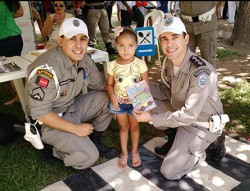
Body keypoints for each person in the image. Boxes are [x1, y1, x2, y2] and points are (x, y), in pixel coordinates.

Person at [133, 15, 229, 180]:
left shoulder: (201, 72)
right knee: (141, 97)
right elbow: (166, 92)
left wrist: (150, 118)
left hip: (201, 124)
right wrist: (141, 84)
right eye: (164, 39)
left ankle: (210, 144)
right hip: (182, 114)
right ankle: (175, 137)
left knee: (170, 172)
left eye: (175, 37)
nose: (169, 44)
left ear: (186, 38)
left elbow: (189, 115)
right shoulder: (171, 62)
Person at [26, 18, 117, 169]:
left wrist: (124, 94)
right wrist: (76, 129)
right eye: (72, 39)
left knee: (107, 97)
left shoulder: (84, 59)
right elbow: (41, 114)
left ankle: (94, 139)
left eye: (83, 39)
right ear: (61, 41)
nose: (79, 45)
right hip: (49, 122)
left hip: (71, 108)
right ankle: (54, 149)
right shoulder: (47, 70)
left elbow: (102, 85)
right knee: (89, 157)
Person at [179, 1, 227, 162]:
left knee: (210, 77)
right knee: (184, 71)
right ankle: (179, 131)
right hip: (186, 26)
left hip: (207, 23)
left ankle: (218, 135)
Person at [107, 27, 149, 168]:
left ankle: (135, 151)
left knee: (135, 127)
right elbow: (109, 85)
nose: (126, 50)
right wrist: (112, 97)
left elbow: (145, 85)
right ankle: (124, 153)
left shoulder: (140, 64)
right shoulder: (112, 65)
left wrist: (143, 105)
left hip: (135, 103)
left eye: (130, 45)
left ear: (136, 46)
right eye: (121, 45)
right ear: (115, 45)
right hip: (119, 103)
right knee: (123, 128)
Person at [0, 1, 24, 105]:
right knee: (17, 70)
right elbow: (20, 13)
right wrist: (7, 16)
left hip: (4, 40)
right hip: (16, 38)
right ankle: (23, 95)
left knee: (11, 72)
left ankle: (22, 97)